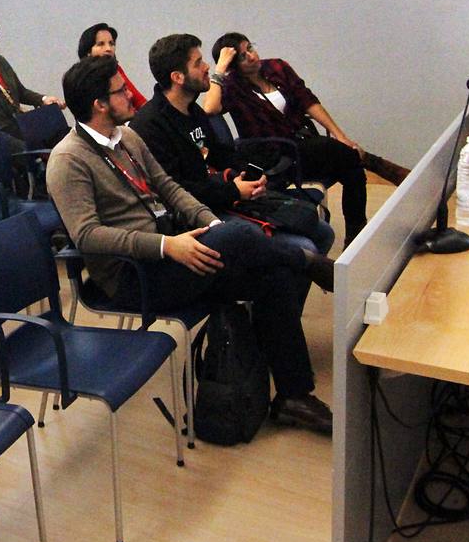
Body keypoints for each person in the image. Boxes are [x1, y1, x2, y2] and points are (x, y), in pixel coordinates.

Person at [46, 56, 334, 435]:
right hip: (134, 276)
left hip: (177, 249)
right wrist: (166, 246)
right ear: (100, 104)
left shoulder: (128, 137)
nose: (131, 95)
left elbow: (170, 189)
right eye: (120, 91)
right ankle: (309, 262)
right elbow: (87, 236)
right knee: (242, 238)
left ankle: (293, 396)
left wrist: (208, 223)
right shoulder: (68, 160)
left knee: (272, 271)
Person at [129, 34, 335, 256]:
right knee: (306, 247)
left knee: (323, 232)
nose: (208, 67)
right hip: (194, 215)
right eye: (198, 63)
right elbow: (177, 192)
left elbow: (220, 154)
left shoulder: (192, 110)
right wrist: (234, 190)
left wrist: (248, 174)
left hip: (220, 196)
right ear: (178, 77)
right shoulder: (150, 125)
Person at [206, 33, 409, 246]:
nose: (250, 56)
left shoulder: (277, 67)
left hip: (303, 144)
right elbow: (210, 108)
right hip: (274, 155)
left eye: (250, 48)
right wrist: (219, 69)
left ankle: (355, 236)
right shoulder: (232, 87)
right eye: (241, 56)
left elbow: (308, 101)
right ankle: (379, 167)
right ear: (231, 65)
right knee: (345, 156)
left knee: (351, 168)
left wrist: (341, 136)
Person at [78, 22, 147, 110]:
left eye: (111, 44)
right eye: (101, 44)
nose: (108, 49)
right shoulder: (81, 78)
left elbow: (139, 101)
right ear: (88, 52)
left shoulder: (116, 70)